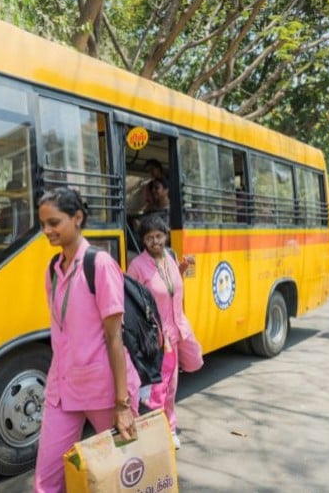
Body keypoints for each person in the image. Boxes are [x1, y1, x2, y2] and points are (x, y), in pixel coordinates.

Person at [34, 187, 140, 493]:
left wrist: (122, 404)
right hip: (62, 390)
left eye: (54, 223)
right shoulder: (53, 270)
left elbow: (114, 335)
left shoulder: (100, 264)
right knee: (46, 482)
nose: (47, 231)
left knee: (122, 478)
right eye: (43, 224)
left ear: (77, 218)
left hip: (104, 390)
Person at [127, 215, 199, 450]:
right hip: (155, 338)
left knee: (171, 387)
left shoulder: (170, 257)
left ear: (165, 235)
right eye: (149, 238)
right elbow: (132, 301)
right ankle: (157, 433)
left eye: (158, 236)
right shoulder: (137, 266)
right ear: (144, 241)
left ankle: (167, 428)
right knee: (156, 390)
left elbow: (169, 288)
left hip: (176, 333)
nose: (155, 241)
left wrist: (183, 268)